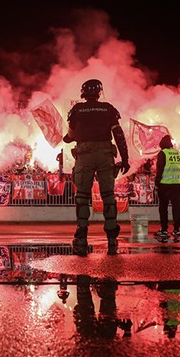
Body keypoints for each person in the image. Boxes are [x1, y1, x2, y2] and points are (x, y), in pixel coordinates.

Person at [62, 79, 130, 255]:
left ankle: (82, 237)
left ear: (83, 93)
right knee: (108, 196)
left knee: (82, 197)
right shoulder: (108, 109)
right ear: (99, 92)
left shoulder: (77, 110)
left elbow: (71, 135)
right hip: (105, 154)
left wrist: (66, 139)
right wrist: (125, 158)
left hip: (84, 155)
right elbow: (118, 134)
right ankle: (112, 239)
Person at [154, 134, 180, 239]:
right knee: (176, 207)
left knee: (163, 208)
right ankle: (176, 230)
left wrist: (157, 182)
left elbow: (159, 170)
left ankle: (164, 230)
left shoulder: (163, 153)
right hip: (176, 184)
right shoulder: (178, 154)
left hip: (164, 184)